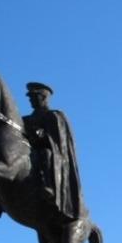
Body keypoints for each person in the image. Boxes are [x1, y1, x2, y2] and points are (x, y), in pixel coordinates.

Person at [22, 82, 84, 220]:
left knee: (46, 153)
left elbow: (59, 141)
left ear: (43, 97)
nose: (30, 100)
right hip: (28, 152)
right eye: (30, 98)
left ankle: (48, 186)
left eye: (33, 97)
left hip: (50, 155)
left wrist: (43, 135)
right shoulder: (26, 119)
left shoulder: (54, 116)